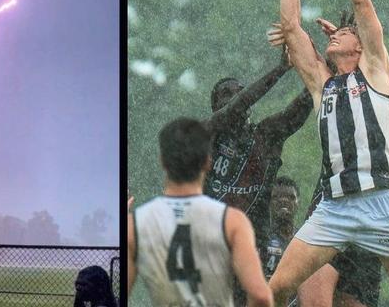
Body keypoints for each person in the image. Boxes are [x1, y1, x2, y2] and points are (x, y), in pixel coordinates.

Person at [270, 0, 389, 306]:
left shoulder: (374, 72)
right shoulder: (324, 84)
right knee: (274, 290)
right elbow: (291, 28)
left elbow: (360, 0)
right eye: (337, 33)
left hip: (380, 202)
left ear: (362, 47)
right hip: (334, 207)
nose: (337, 33)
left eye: (347, 33)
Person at [127, 117, 272, 307]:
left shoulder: (135, 224)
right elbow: (261, 296)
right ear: (207, 161)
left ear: (162, 161)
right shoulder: (233, 222)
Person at [204, 46, 312, 257]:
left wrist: (324, 69)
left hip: (253, 247)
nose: (236, 97)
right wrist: (280, 69)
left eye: (240, 91)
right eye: (227, 93)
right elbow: (236, 106)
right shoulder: (206, 133)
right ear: (215, 106)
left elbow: (298, 109)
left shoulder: (265, 136)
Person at [264, 176, 300, 280]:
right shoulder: (259, 237)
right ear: (268, 202)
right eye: (276, 197)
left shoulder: (303, 239)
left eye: (291, 197)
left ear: (298, 203)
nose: (284, 200)